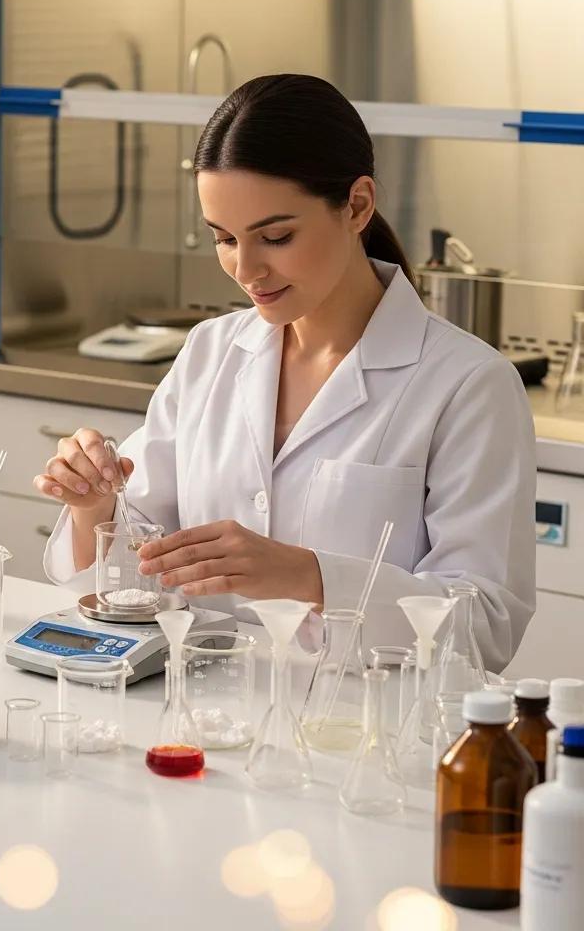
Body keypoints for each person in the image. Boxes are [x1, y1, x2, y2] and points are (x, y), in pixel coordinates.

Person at [35, 74, 535, 672]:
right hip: (201, 710)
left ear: (357, 205)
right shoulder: (211, 352)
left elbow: (485, 628)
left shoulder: (467, 384)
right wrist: (93, 506)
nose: (246, 269)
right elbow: (136, 569)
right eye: (224, 238)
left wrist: (308, 576)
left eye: (275, 236)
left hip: (360, 719)